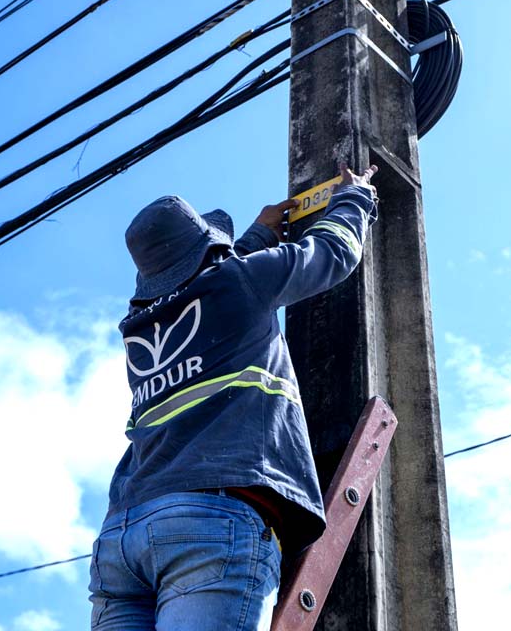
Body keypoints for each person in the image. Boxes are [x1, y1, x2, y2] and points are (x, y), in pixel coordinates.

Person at [88, 162, 379, 631]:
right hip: (211, 520)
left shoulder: (138, 328)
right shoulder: (239, 283)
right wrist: (355, 197)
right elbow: (330, 253)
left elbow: (217, 284)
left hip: (124, 535)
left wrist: (258, 237)